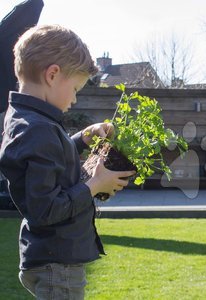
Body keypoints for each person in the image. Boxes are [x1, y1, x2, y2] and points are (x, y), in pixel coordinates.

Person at [0, 24, 136, 299]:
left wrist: (83, 138)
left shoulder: (26, 120)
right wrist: (95, 184)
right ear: (52, 75)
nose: (74, 99)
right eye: (75, 88)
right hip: (57, 263)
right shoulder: (39, 129)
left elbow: (49, 160)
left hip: (49, 257)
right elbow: (46, 209)